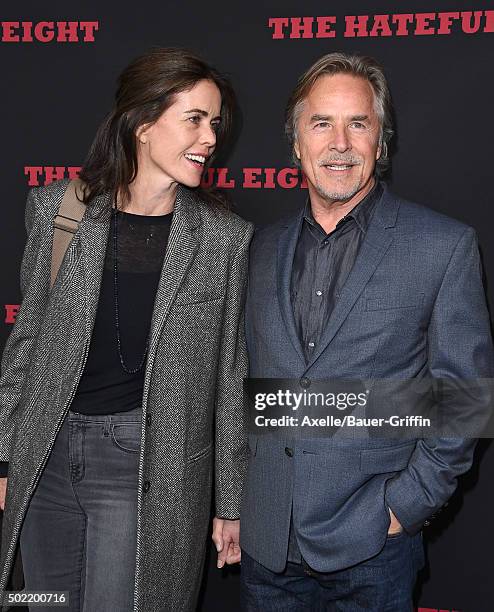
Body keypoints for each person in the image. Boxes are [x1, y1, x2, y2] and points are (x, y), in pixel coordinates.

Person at [0, 47, 252, 611]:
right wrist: (5, 456)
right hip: (46, 454)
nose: (210, 137)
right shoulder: (57, 210)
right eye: (194, 119)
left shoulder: (223, 240)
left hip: (143, 462)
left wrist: (229, 503)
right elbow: (28, 343)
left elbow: (228, 379)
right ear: (142, 123)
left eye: (215, 122)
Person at [240, 52, 493, 611]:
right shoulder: (257, 250)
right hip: (267, 549)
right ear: (296, 143)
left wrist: (403, 507)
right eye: (321, 123)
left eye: (359, 123)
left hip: (373, 548)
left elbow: (464, 399)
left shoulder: (442, 247)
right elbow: (243, 389)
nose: (340, 142)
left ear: (380, 142)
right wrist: (237, 506)